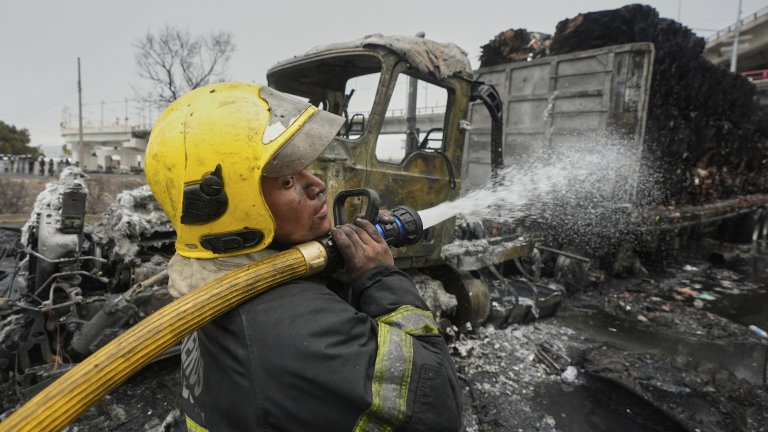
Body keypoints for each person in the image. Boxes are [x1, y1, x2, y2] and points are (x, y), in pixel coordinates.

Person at [144, 82, 462, 432]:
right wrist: (380, 279)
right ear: (234, 208)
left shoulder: (212, 289)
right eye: (288, 182)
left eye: (306, 169)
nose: (317, 184)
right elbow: (437, 404)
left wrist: (339, 273)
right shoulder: (299, 328)